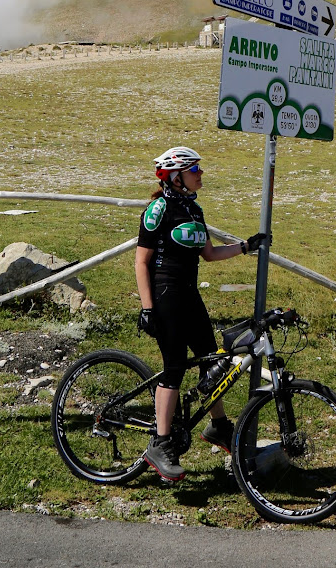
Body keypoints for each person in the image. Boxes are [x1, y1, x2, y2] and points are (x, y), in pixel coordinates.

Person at [135, 146, 265, 482]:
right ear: (176, 176)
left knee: (213, 362)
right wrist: (147, 308)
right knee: (174, 367)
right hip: (165, 296)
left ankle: (218, 426)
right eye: (195, 170)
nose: (201, 174)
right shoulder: (158, 209)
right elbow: (141, 262)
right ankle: (160, 444)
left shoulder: (193, 209)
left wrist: (245, 247)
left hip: (190, 296)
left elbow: (207, 253)